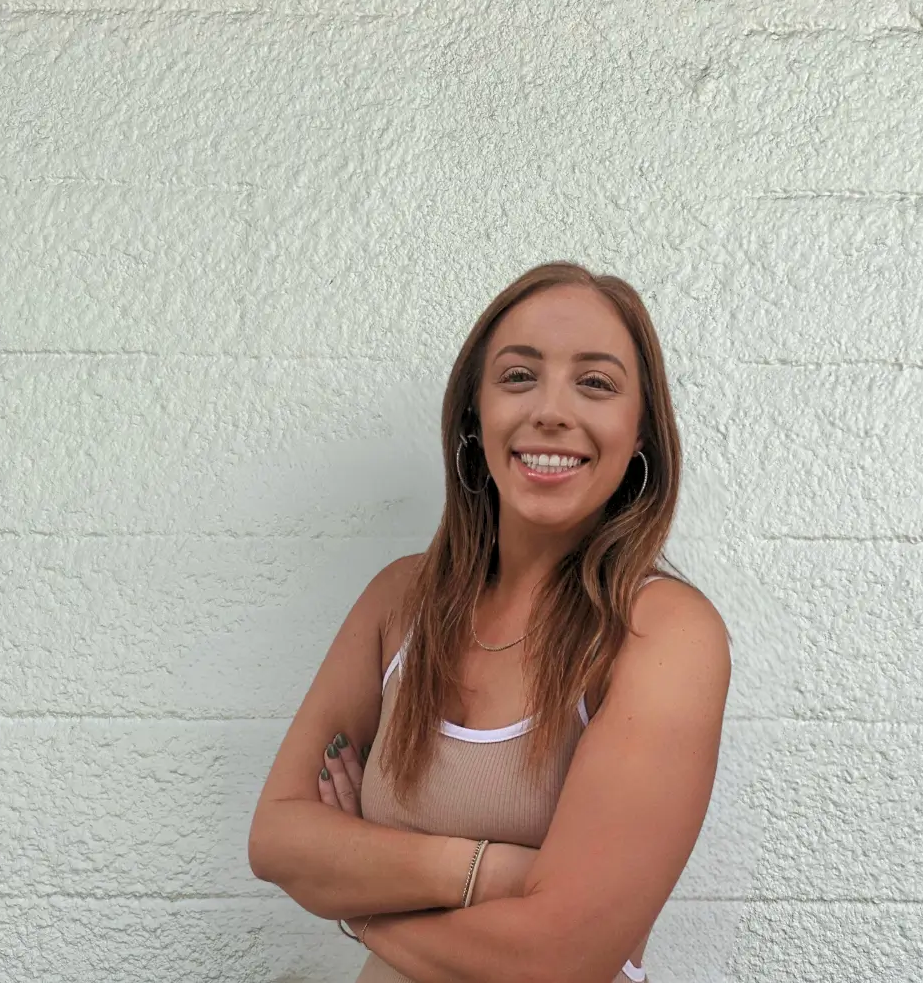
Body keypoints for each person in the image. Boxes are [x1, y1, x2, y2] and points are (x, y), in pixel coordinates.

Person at [248, 261, 733, 983]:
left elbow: (557, 958)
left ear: (641, 433)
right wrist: (491, 871)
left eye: (595, 383)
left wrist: (355, 898)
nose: (552, 411)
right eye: (519, 376)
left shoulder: (662, 632)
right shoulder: (400, 601)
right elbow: (277, 838)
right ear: (474, 415)